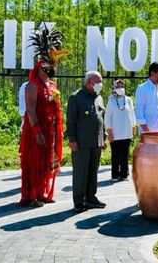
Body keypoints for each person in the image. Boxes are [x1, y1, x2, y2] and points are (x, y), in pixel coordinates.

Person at [18, 25, 68, 207]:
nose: (51, 68)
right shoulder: (32, 86)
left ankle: (45, 193)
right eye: (47, 67)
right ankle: (33, 196)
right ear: (40, 68)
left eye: (51, 66)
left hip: (52, 131)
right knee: (35, 162)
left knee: (48, 161)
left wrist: (59, 129)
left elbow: (56, 108)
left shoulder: (53, 85)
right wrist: (37, 130)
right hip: (37, 131)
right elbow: (30, 110)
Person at [66, 71, 108, 212]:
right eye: (98, 82)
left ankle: (91, 198)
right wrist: (72, 139)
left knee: (92, 172)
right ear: (89, 82)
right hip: (81, 142)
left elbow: (103, 119)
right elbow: (70, 121)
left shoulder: (99, 98)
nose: (100, 85)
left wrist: (104, 137)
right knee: (80, 172)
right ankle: (78, 201)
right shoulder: (76, 97)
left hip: (96, 141)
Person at [105, 79, 136, 181]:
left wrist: (133, 127)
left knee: (125, 154)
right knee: (116, 154)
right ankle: (115, 174)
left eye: (122, 86)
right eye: (118, 86)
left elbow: (132, 114)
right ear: (114, 88)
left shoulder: (128, 100)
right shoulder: (111, 100)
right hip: (115, 132)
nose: (120, 88)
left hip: (127, 132)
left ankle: (124, 174)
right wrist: (109, 131)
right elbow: (107, 117)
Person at [135, 62, 158, 133]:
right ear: (152, 74)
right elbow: (138, 113)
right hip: (147, 133)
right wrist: (147, 132)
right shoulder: (142, 89)